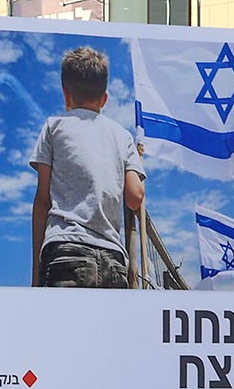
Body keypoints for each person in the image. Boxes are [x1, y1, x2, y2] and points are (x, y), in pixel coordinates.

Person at [29, 46, 147, 288]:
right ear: (104, 98)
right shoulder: (122, 136)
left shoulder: (54, 127)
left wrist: (36, 273)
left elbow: (43, 200)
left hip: (65, 251)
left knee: (64, 327)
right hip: (113, 259)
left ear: (66, 94)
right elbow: (135, 197)